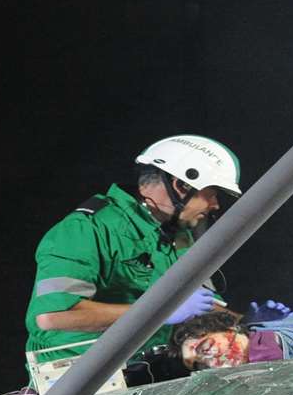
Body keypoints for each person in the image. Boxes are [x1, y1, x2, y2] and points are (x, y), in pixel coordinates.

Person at [24, 135, 242, 376]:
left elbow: (200, 307)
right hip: (76, 381)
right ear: (181, 185)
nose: (215, 205)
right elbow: (54, 315)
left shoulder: (177, 236)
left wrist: (249, 321)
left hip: (144, 371)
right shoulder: (85, 229)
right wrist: (160, 311)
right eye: (211, 194)